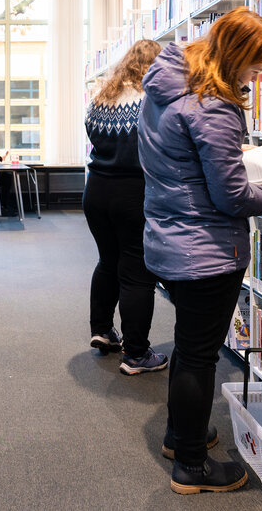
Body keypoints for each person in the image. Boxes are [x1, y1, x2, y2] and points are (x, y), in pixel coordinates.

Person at [138, 7, 262, 494]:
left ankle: (178, 435)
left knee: (190, 348)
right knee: (199, 355)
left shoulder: (166, 85)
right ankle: (192, 464)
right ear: (236, 58)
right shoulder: (211, 105)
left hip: (169, 236)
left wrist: (233, 159)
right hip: (205, 247)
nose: (256, 78)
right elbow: (231, 196)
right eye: (255, 68)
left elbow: (186, 164)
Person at [83, 39, 165, 375]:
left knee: (107, 261)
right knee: (136, 273)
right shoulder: (153, 99)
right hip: (135, 193)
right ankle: (136, 354)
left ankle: (102, 330)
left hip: (97, 190)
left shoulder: (102, 96)